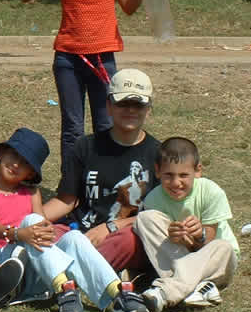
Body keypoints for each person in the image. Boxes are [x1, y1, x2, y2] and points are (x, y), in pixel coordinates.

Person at [20, 0, 173, 175]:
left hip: (103, 58)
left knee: (106, 125)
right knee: (72, 128)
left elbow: (128, 5)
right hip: (68, 57)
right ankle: (71, 187)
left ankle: (106, 183)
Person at [0, 128, 147, 312]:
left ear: (30, 174)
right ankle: (64, 288)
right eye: (13, 155)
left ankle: (118, 294)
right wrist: (21, 234)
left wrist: (39, 233)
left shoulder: (32, 193)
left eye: (24, 163)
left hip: (36, 263)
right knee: (31, 221)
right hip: (5, 261)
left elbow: (43, 225)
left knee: (75, 236)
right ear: (2, 153)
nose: (15, 164)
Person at [41, 69, 161, 284]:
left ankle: (64, 275)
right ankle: (93, 274)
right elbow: (66, 200)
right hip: (80, 234)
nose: (130, 110)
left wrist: (110, 227)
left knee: (131, 242)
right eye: (123, 103)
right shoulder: (85, 146)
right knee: (46, 235)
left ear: (149, 109)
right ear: (108, 106)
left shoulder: (159, 154)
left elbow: (158, 215)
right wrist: (30, 220)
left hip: (124, 236)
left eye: (138, 105)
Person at [134, 137, 239, 312]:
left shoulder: (211, 191)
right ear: (158, 171)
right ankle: (197, 288)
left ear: (197, 171)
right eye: (169, 175)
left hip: (215, 262)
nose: (176, 183)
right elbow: (166, 244)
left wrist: (199, 235)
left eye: (183, 175)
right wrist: (175, 238)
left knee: (224, 247)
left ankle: (163, 294)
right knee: (144, 218)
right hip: (180, 256)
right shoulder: (153, 199)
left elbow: (207, 241)